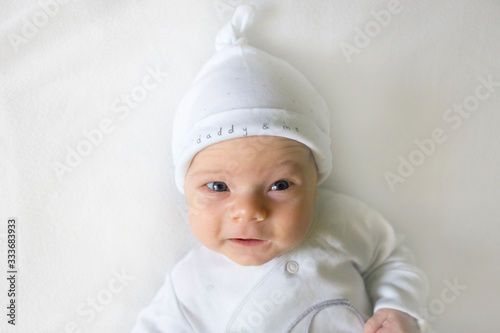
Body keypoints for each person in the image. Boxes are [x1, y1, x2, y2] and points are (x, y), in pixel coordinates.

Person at [132, 5, 429, 333]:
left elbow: (389, 259)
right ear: (185, 187)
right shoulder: (191, 285)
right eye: (217, 187)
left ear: (316, 182)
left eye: (280, 185)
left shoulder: (344, 222)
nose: (248, 212)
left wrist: (398, 307)